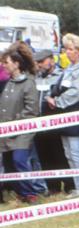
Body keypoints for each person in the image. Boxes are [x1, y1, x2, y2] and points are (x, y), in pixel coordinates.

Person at [45, 33, 79, 198]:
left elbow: (77, 92)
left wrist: (58, 101)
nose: (68, 52)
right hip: (64, 119)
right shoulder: (68, 69)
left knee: (76, 154)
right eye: (66, 49)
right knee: (69, 155)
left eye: (71, 49)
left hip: (76, 119)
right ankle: (78, 186)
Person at [0, 42, 44, 204]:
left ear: (16, 64)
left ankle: (30, 193)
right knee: (9, 163)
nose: (3, 66)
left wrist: (16, 124)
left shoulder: (28, 83)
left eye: (6, 62)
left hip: (22, 132)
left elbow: (32, 110)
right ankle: (20, 192)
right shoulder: (7, 84)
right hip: (5, 132)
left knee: (20, 160)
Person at [32, 48, 70, 195]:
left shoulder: (61, 75)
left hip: (54, 121)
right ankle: (52, 186)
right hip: (39, 122)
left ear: (51, 60)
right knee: (44, 155)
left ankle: (68, 184)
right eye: (39, 62)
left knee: (59, 154)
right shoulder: (37, 77)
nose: (41, 65)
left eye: (43, 61)